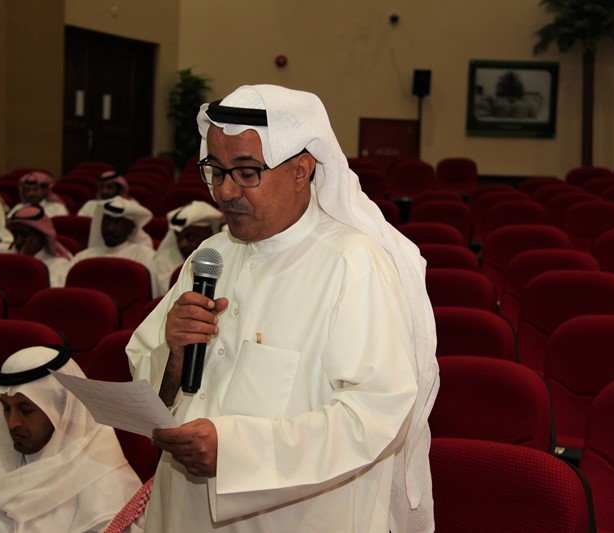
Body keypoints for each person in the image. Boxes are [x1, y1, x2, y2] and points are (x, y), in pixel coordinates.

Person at [124, 85, 439, 532]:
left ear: (301, 170)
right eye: (215, 170)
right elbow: (152, 382)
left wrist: (236, 451)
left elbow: (376, 415)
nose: (225, 190)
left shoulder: (352, 263)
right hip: (182, 512)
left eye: (246, 172)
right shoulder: (210, 255)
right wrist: (172, 358)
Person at [0, 345, 142, 532]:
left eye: (26, 409)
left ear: (61, 409)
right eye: (6, 409)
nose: (12, 423)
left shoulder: (104, 477)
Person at [150, 200, 223, 296]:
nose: (183, 244)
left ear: (209, 234)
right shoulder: (164, 260)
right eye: (178, 237)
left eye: (191, 237)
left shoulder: (221, 259)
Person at [69, 196, 155, 270]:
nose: (110, 228)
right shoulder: (84, 257)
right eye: (107, 221)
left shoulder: (142, 255)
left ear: (131, 228)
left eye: (118, 223)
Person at [7, 205, 73, 287]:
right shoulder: (9, 257)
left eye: (24, 234)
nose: (18, 241)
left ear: (41, 237)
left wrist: (25, 260)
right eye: (15, 234)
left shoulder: (59, 265)